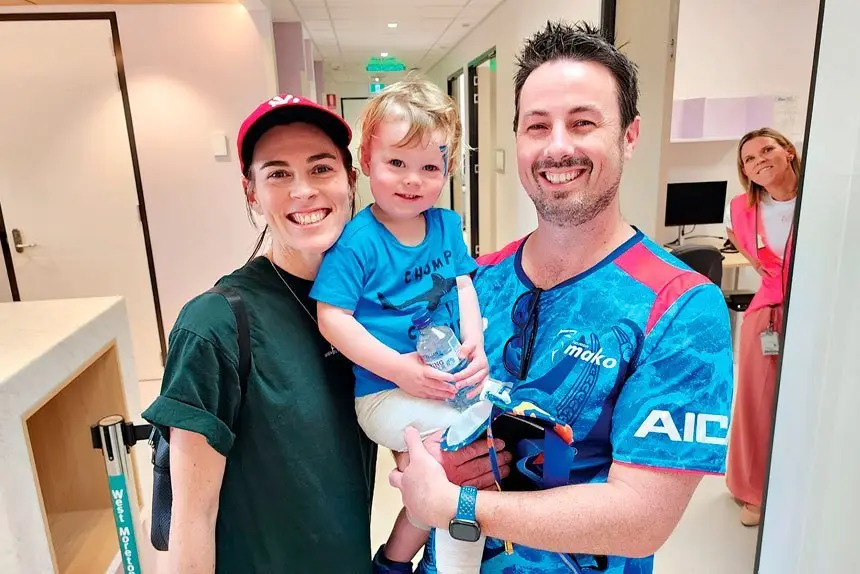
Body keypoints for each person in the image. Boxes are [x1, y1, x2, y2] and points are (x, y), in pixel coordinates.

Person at [388, 21, 735, 573]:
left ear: (630, 135)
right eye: (537, 126)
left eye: (582, 123)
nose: (557, 147)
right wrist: (426, 461)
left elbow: (642, 518)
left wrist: (461, 502)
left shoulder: (681, 308)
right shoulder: (474, 282)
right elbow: (410, 413)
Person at [140, 93, 510, 573]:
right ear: (251, 192)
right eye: (277, 174)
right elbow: (190, 522)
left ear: (350, 180)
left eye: (320, 169)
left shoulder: (376, 312)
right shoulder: (215, 326)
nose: (303, 191)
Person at [312, 78, 489, 573]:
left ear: (447, 170)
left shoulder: (446, 225)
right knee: (455, 467)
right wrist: (399, 370)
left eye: (429, 167)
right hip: (384, 394)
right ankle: (427, 561)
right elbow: (333, 319)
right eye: (396, 163)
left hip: (443, 375)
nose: (413, 180)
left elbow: (463, 286)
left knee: (490, 434)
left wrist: (475, 340)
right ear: (366, 161)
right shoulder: (357, 242)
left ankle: (395, 562)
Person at [724, 127, 798, 527]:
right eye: (749, 159)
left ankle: (796, 482)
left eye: (766, 150)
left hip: (815, 312)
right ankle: (751, 489)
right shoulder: (741, 208)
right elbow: (750, 252)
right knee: (755, 404)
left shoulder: (819, 200)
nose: (758, 161)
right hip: (768, 314)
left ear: (788, 152)